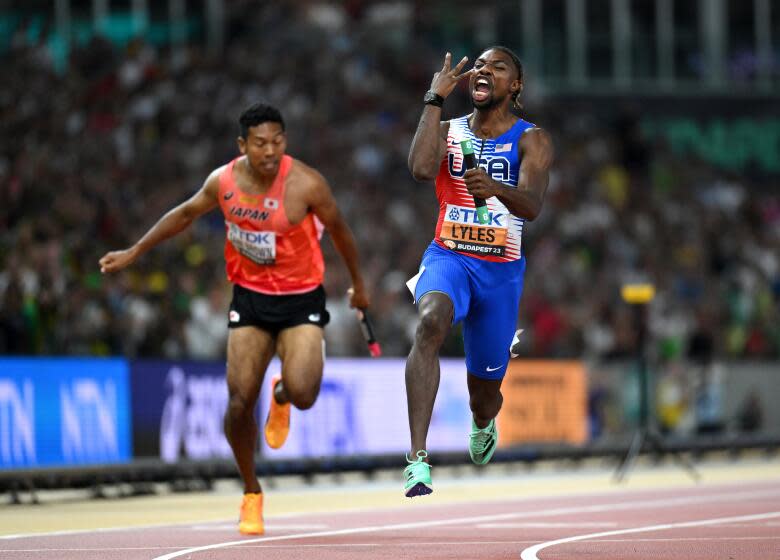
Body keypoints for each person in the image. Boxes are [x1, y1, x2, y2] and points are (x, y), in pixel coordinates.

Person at [99, 102, 370, 533]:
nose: (270, 151)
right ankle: (251, 492)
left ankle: (281, 396)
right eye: (260, 143)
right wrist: (135, 250)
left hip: (301, 300)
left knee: (304, 393)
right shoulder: (223, 181)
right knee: (239, 402)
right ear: (242, 145)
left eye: (278, 142)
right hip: (250, 299)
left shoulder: (305, 184)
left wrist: (359, 285)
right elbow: (186, 213)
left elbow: (340, 231)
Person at [403, 47, 553, 497]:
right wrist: (434, 99)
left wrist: (496, 188)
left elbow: (533, 206)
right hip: (448, 256)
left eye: (498, 67)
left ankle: (483, 422)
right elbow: (419, 169)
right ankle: (417, 460)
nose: (485, 70)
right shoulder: (448, 130)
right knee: (430, 321)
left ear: (515, 86)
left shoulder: (533, 139)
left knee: (484, 395)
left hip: (500, 273)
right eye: (480, 66)